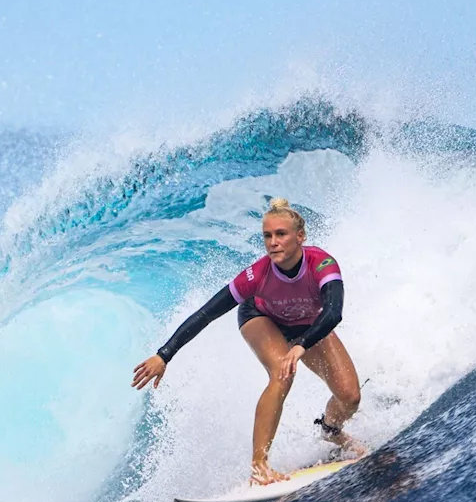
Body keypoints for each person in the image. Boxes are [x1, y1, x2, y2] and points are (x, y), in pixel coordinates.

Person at [132, 197, 366, 485]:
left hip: (309, 325)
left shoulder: (322, 264)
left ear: (300, 236)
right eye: (267, 236)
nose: (273, 242)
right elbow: (206, 313)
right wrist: (164, 354)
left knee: (350, 396)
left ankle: (331, 430)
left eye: (281, 234)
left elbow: (333, 312)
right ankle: (259, 466)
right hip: (261, 317)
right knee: (282, 372)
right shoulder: (256, 276)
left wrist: (301, 344)